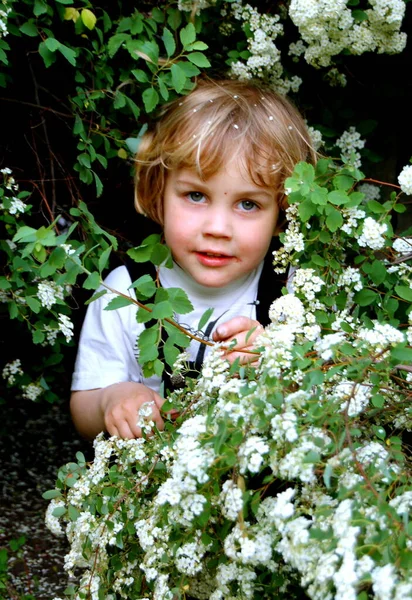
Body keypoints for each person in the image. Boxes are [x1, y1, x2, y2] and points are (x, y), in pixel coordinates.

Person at [70, 78, 316, 440]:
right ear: (160, 191)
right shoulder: (125, 291)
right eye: (196, 196)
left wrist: (277, 358)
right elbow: (83, 407)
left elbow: (324, 397)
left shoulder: (291, 290)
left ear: (282, 212)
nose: (218, 228)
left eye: (248, 204)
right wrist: (112, 400)